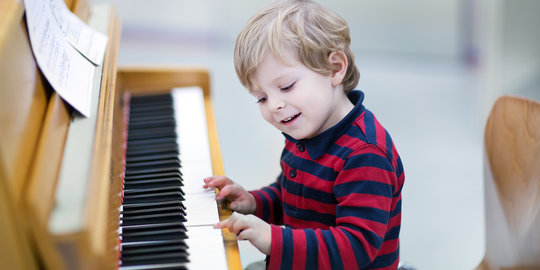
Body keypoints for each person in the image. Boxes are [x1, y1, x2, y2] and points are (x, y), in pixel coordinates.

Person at [203, 0, 405, 269]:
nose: (274, 105)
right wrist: (254, 202)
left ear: (334, 68)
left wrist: (275, 240)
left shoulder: (365, 155)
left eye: (286, 87)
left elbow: (356, 247)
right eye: (261, 98)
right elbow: (292, 197)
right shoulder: (307, 133)